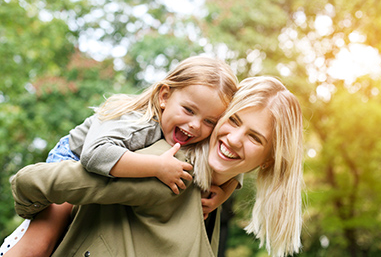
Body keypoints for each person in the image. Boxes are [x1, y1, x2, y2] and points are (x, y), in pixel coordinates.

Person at [9, 76, 304, 257]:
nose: (235, 139)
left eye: (254, 137)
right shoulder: (168, 169)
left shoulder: (212, 192)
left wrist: (228, 187)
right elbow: (34, 181)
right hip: (78, 153)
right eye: (234, 121)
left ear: (268, 160)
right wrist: (36, 213)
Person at [0, 55, 240, 257]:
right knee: (41, 243)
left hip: (107, 164)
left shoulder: (192, 135)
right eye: (189, 110)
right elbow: (94, 155)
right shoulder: (138, 123)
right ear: (164, 96)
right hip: (73, 156)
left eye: (210, 121)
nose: (196, 125)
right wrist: (157, 167)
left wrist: (225, 191)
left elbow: (233, 160)